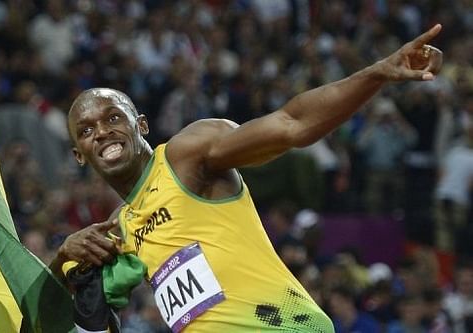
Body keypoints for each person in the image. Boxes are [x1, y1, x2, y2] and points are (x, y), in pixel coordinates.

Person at [52, 24, 444, 332]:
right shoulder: (119, 228)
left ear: (141, 125)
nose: (101, 132)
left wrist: (377, 74)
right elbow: (39, 302)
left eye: (113, 118)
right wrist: (62, 255)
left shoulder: (185, 156)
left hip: (285, 327)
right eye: (86, 131)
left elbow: (292, 123)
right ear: (79, 155)